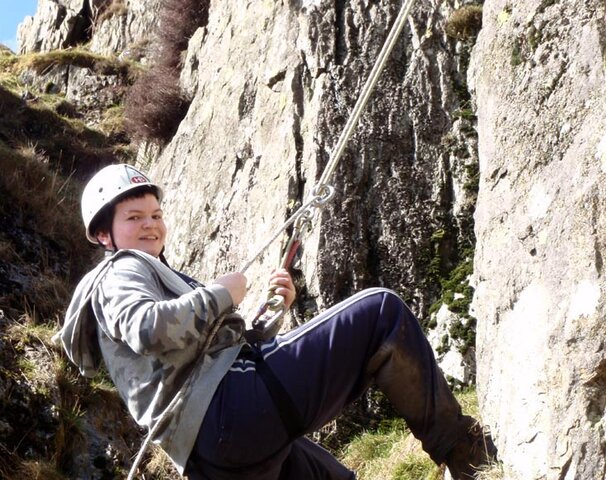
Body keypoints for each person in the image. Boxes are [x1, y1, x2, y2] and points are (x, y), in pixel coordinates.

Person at [56, 164, 497, 479]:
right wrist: (221, 293)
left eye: (155, 215)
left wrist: (271, 313)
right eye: (134, 218)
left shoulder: (142, 274)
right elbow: (149, 329)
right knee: (381, 314)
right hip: (228, 413)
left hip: (212, 456)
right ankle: (467, 456)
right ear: (103, 234)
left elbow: (209, 352)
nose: (151, 225)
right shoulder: (120, 270)